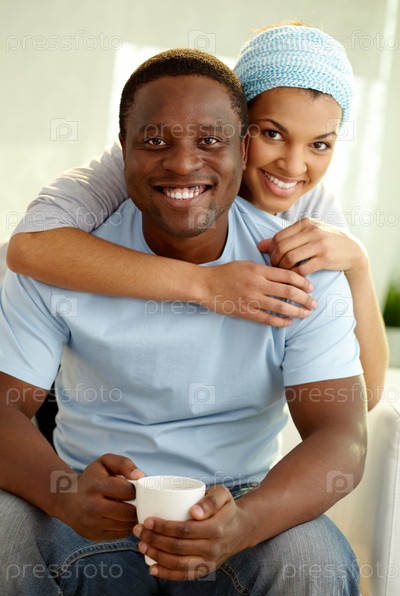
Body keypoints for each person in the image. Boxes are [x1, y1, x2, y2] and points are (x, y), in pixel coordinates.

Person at [0, 48, 366, 596]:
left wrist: (245, 521)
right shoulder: (64, 257)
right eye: (154, 141)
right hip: (88, 502)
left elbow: (342, 434)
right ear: (123, 150)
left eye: (210, 141)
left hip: (239, 503)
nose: (182, 163)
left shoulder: (299, 265)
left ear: (242, 150)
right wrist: (64, 495)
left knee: (312, 558)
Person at [6, 23, 388, 410]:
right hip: (71, 371)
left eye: (319, 144)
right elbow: (29, 250)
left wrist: (358, 265)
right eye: (272, 134)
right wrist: (205, 284)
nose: (293, 165)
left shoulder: (312, 213)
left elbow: (364, 397)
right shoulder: (151, 165)